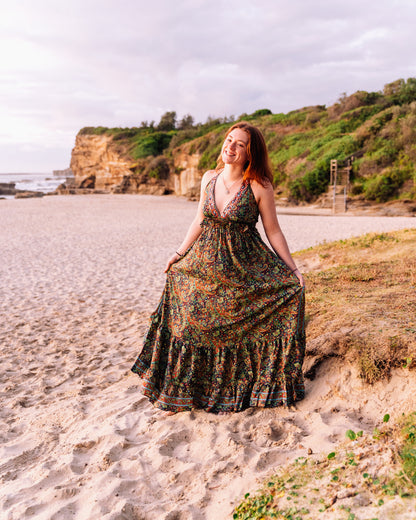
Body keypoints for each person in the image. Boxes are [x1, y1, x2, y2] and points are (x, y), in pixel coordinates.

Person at [131, 122, 305, 414]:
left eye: (240, 144)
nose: (231, 147)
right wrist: (179, 252)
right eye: (229, 140)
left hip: (243, 264)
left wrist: (293, 269)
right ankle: (190, 389)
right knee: (190, 322)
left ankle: (246, 387)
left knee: (244, 319)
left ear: (251, 152)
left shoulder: (260, 186)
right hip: (203, 261)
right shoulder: (209, 178)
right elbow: (200, 219)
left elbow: (273, 231)